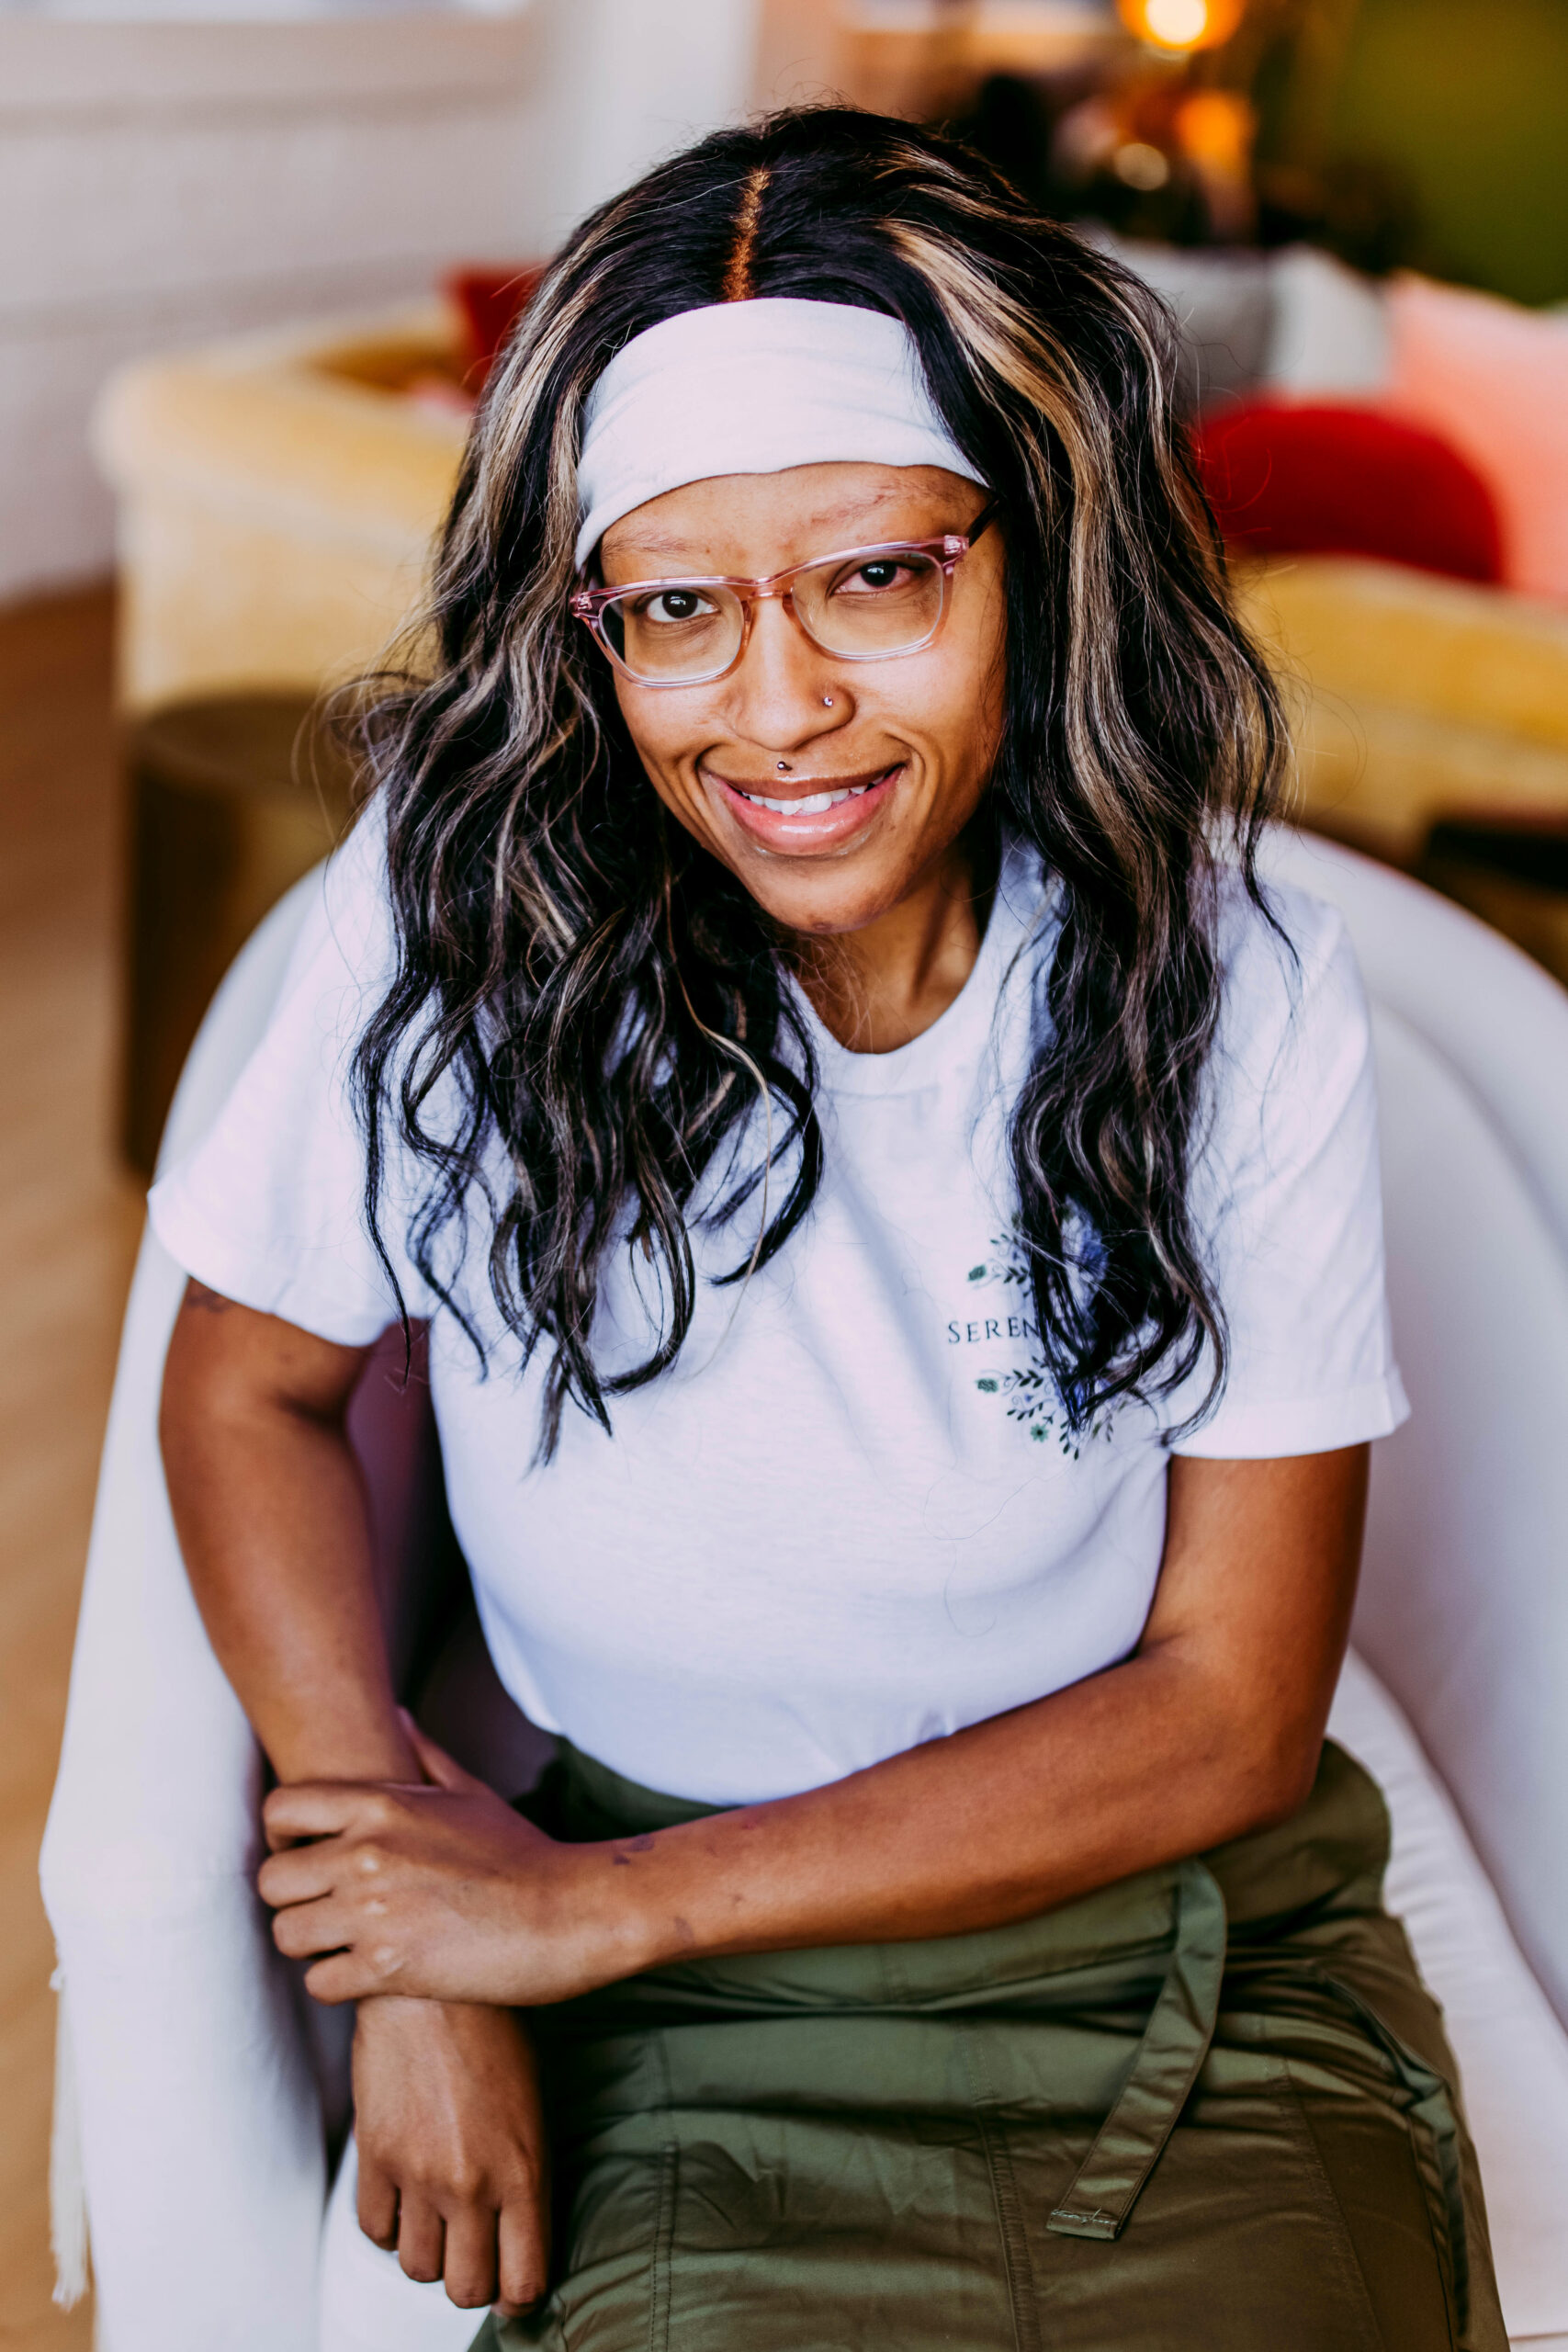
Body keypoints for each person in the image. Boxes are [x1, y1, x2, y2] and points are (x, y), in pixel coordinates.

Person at [152, 107, 1503, 2352]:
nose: (776, 712)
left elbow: (1229, 1710)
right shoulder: (451, 922)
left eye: (879, 578)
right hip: (695, 2042)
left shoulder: (1225, 981)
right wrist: (408, 1924)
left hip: (1174, 1968)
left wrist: (565, 1921)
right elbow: (247, 1384)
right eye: (676, 607)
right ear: (587, 631)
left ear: (1026, 560)